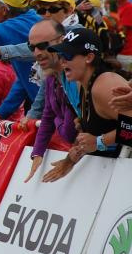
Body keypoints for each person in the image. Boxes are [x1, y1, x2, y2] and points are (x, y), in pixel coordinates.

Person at [44, 28, 132, 182]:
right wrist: (70, 160)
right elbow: (90, 136)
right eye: (60, 55)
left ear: (89, 57)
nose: (62, 61)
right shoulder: (82, 84)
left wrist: (99, 142)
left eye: (67, 55)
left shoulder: (105, 86)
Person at [20, 20, 76, 182]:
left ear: (62, 40)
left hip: (105, 156)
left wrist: (70, 160)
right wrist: (37, 153)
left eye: (43, 45)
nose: (37, 52)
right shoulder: (52, 78)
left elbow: (71, 131)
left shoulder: (76, 77)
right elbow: (48, 116)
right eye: (32, 47)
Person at [114, 0, 132, 70]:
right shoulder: (118, 8)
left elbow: (122, 31)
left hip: (126, 54)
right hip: (121, 52)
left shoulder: (129, 8)